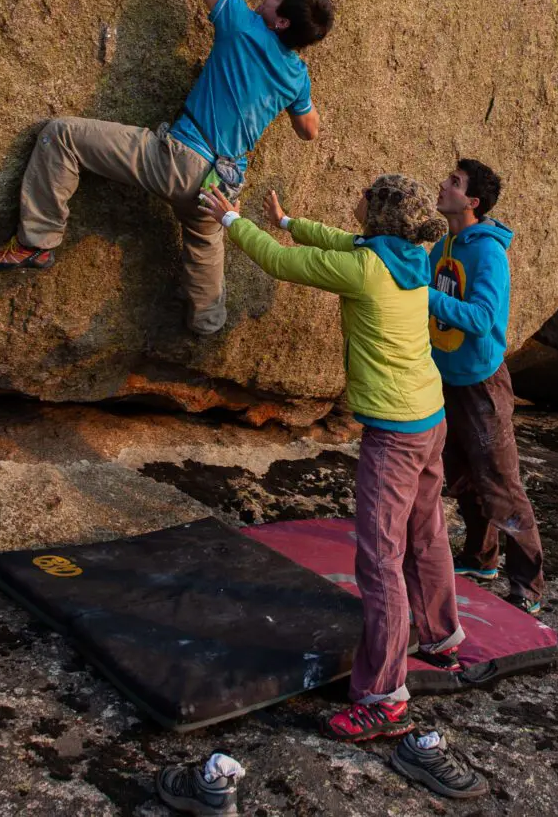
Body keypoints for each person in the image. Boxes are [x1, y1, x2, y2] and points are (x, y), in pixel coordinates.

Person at [0, 0, 336, 338]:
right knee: (204, 250)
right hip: (221, 188)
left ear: (281, 22)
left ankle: (37, 238)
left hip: (177, 160)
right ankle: (209, 329)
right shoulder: (296, 74)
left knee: (61, 135)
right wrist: (291, 98)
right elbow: (310, 130)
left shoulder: (242, 25)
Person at [200, 176, 465, 746]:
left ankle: (384, 698)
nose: (360, 197)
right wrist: (291, 221)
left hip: (394, 433)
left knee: (380, 561)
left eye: (368, 193)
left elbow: (280, 263)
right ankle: (443, 637)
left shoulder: (368, 268)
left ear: (380, 212)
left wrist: (230, 220)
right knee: (427, 532)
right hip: (430, 417)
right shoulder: (406, 255)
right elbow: (341, 240)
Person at [426, 160, 546, 614]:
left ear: (472, 201)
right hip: (446, 381)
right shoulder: (445, 244)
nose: (442, 184)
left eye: (453, 182)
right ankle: (480, 559)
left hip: (480, 384)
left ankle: (528, 588)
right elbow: (413, 277)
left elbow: (481, 318)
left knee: (501, 486)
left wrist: (423, 296)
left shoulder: (488, 253)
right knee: (460, 476)